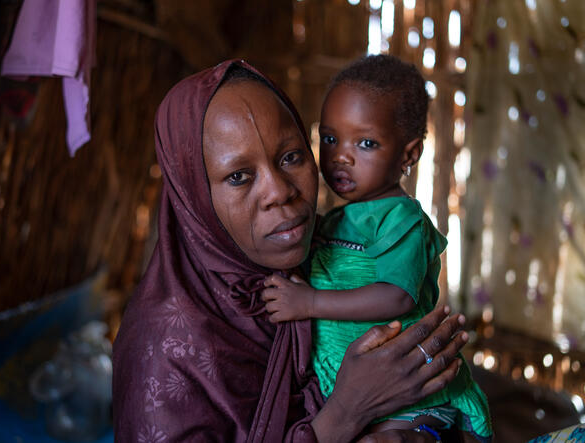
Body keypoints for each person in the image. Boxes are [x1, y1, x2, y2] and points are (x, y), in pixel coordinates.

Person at [112, 59, 469, 442]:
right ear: (193, 195)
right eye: (238, 177)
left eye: (290, 157)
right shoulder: (164, 352)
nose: (279, 191)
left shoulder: (323, 256)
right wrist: (348, 410)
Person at [261, 55, 492, 442]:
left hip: (409, 399)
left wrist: (310, 303)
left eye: (366, 143)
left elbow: (396, 297)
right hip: (352, 396)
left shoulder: (402, 220)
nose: (341, 156)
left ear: (409, 154)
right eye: (331, 138)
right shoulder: (330, 222)